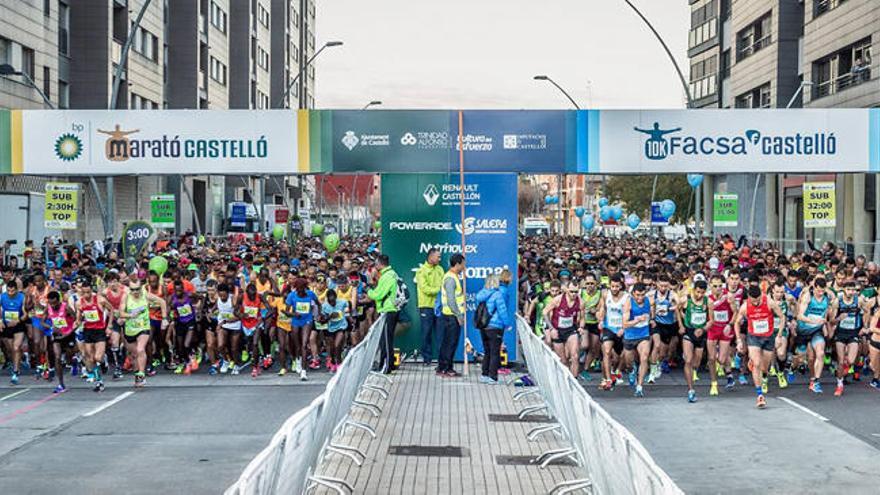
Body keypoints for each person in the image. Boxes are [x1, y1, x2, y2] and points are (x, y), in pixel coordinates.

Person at [734, 285, 784, 408]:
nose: (756, 303)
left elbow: (782, 317)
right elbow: (736, 322)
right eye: (753, 300)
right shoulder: (745, 307)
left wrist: (779, 336)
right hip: (754, 337)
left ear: (761, 295)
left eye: (758, 300)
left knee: (764, 368)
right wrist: (739, 340)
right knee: (757, 364)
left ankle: (759, 369)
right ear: (749, 297)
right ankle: (760, 395)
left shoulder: (769, 302)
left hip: (768, 337)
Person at [119, 280, 167, 388]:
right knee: (134, 354)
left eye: (137, 289)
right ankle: (137, 374)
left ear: (141, 288)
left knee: (140, 349)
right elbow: (121, 312)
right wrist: (129, 315)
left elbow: (162, 302)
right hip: (130, 329)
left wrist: (164, 319)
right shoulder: (126, 297)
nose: (135, 292)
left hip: (143, 327)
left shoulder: (145, 295)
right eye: (132, 290)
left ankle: (141, 374)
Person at [75, 277, 114, 392]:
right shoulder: (79, 303)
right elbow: (79, 317)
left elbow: (111, 310)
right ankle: (99, 382)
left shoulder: (100, 300)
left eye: (88, 292)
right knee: (91, 359)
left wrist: (109, 325)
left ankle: (104, 360)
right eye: (83, 292)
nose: (86, 295)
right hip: (88, 331)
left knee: (98, 357)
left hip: (100, 331)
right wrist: (77, 322)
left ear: (91, 291)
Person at [795, 277, 833, 394]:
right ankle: (792, 366)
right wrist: (813, 321)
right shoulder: (808, 296)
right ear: (814, 288)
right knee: (803, 358)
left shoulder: (827, 297)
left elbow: (825, 315)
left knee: (820, 353)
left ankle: (815, 381)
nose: (821, 293)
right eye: (819, 291)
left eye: (823, 290)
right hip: (804, 329)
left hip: (817, 331)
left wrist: (826, 326)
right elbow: (800, 316)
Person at [678, 279, 713, 403]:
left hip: (700, 334)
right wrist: (681, 325)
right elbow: (677, 309)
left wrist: (703, 329)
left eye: (702, 293)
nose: (699, 295)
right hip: (689, 331)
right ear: (694, 290)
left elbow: (711, 320)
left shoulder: (708, 301)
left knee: (696, 363)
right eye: (698, 292)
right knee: (688, 360)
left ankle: (693, 371)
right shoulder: (686, 299)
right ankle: (691, 390)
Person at [476, 273, 512, 384]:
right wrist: (507, 324)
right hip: (495, 327)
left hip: (484, 326)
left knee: (487, 351)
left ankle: (484, 374)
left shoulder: (481, 294)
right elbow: (502, 311)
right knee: (495, 352)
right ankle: (493, 377)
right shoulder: (497, 294)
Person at [368, 254, 401, 375]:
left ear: (380, 264)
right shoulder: (389, 274)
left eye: (376, 264)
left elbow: (378, 295)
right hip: (389, 310)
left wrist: (369, 291)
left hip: (389, 310)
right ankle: (386, 364)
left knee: (386, 341)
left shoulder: (387, 276)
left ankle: (386, 367)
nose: (375, 267)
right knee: (385, 340)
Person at [544, 280, 582, 378]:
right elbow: (544, 312)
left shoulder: (580, 301)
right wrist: (551, 328)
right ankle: (567, 380)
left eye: (576, 292)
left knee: (575, 356)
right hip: (557, 331)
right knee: (563, 360)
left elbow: (582, 317)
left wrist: (581, 327)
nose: (574, 294)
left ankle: (575, 381)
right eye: (571, 291)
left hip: (570, 330)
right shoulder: (558, 300)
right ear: (566, 290)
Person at [43, 290, 77, 393]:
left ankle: (73, 361)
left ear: (59, 301)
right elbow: (42, 322)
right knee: (57, 357)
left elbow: (76, 319)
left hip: (68, 334)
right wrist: (52, 327)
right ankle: (61, 384)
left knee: (69, 356)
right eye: (50, 303)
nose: (52, 305)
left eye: (54, 303)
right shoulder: (48, 308)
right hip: (57, 336)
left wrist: (70, 330)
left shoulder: (66, 307)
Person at [437, 254, 465, 378]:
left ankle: (443, 367)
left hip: (449, 315)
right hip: (451, 316)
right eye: (463, 264)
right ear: (458, 264)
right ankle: (446, 368)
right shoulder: (450, 279)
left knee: (447, 342)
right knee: (450, 343)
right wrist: (458, 315)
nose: (464, 266)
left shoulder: (452, 277)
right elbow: (451, 300)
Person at [622, 283, 652, 397]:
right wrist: (637, 320)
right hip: (630, 337)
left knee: (644, 358)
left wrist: (651, 319)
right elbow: (624, 324)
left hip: (643, 335)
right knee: (629, 363)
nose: (640, 298)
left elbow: (651, 313)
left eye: (642, 295)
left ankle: (639, 387)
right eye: (638, 295)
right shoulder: (628, 303)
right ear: (633, 293)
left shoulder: (648, 301)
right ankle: (631, 370)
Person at [415, 248, 444, 366]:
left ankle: (442, 359)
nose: (439, 259)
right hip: (426, 306)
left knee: (441, 333)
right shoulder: (421, 271)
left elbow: (444, 284)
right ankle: (427, 359)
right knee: (426, 333)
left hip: (439, 306)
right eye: (438, 256)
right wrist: (439, 290)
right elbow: (425, 289)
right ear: (431, 256)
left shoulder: (440, 269)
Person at [0, 281, 27, 385]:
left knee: (16, 347)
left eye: (12, 291)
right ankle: (19, 360)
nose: (10, 293)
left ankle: (15, 373)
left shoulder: (22, 297)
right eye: (8, 291)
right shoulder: (2, 297)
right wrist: (0, 321)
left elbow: (25, 314)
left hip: (18, 324)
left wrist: (18, 320)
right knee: (11, 350)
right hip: (6, 325)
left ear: (16, 290)